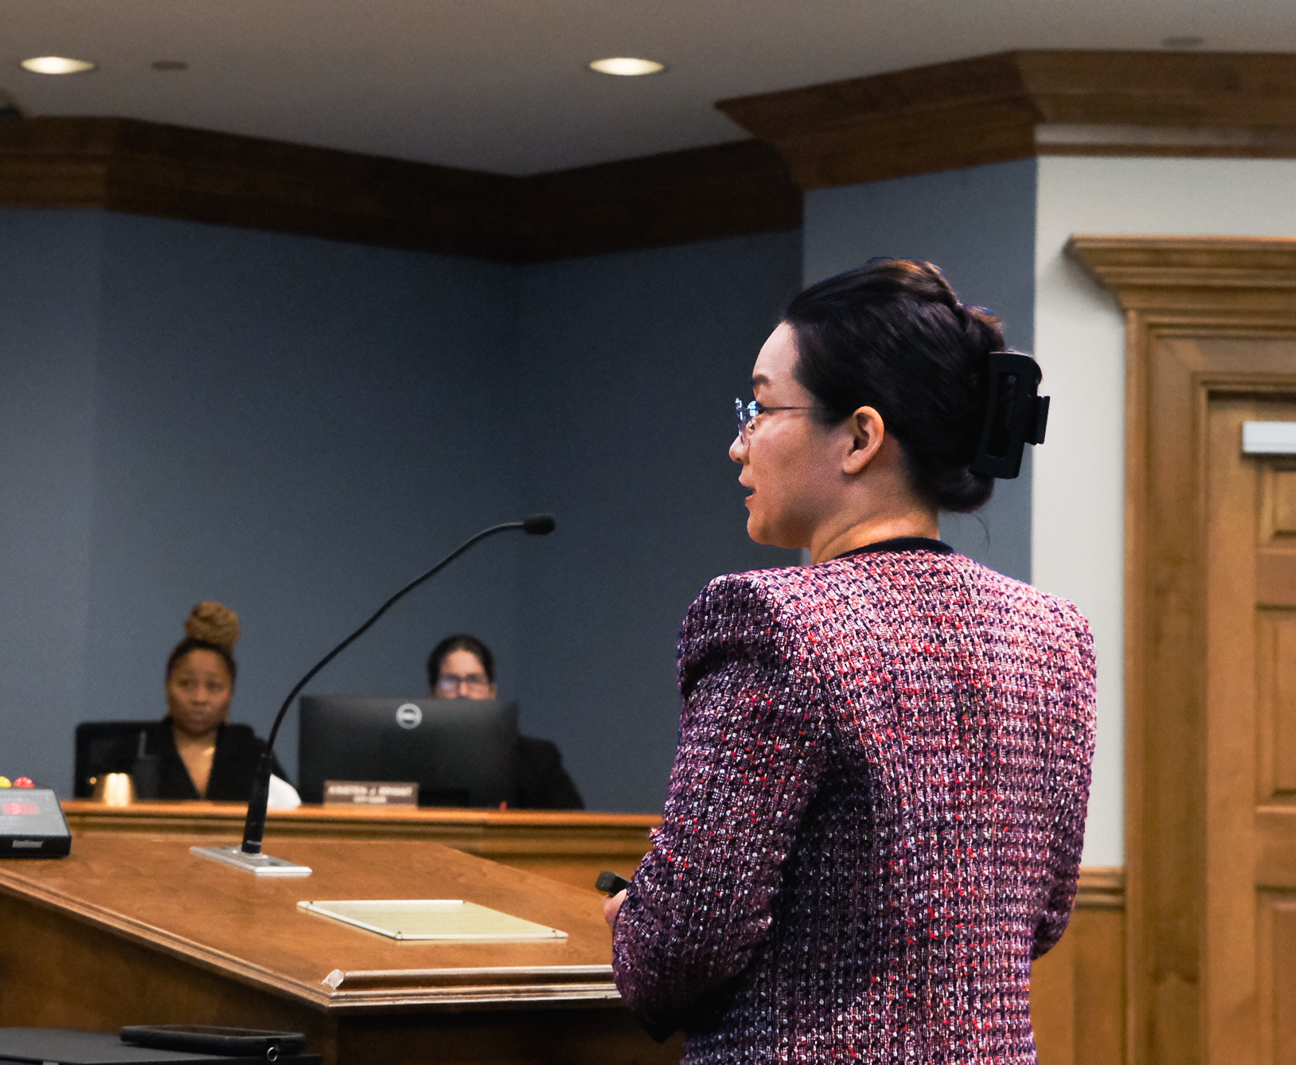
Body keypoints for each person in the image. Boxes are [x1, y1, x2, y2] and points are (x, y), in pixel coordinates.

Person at [606, 259, 1096, 1064]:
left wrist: (633, 923)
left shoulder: (775, 621)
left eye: (760, 407)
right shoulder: (1056, 634)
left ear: (861, 436)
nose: (739, 444)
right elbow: (1040, 918)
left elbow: (683, 941)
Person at [114, 602, 283, 802]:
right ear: (167, 686)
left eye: (214, 687)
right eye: (186, 684)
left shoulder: (255, 755)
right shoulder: (132, 753)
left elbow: (291, 817)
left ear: (231, 692)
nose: (200, 698)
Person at [425, 634, 584, 809]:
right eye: (450, 681)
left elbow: (574, 826)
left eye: (474, 680)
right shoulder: (412, 758)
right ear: (432, 692)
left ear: (492, 692)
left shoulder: (538, 759)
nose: (463, 691)